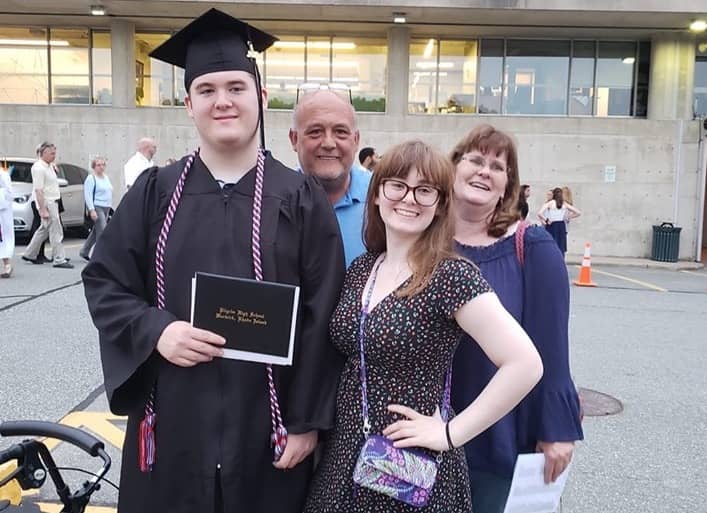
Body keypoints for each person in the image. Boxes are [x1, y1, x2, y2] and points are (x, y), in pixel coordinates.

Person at [81, 9, 345, 513]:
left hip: (268, 433)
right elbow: (104, 280)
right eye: (206, 90)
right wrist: (157, 330)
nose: (222, 101)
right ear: (188, 104)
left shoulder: (302, 199)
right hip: (174, 424)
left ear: (261, 99)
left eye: (236, 88)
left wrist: (306, 422)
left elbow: (322, 314)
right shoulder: (154, 193)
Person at [305, 140, 543, 513]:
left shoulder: (451, 275)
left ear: (439, 205)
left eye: (425, 190)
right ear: (378, 196)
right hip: (346, 454)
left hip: (412, 465)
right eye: (397, 185)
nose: (409, 199)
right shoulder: (362, 270)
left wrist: (451, 433)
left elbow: (526, 364)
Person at [450, 124, 584, 513]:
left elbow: (552, 349)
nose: (483, 171)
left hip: (502, 435)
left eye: (497, 166)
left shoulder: (533, 247)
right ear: (453, 168)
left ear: (508, 184)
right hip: (431, 431)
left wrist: (557, 429)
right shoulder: (426, 242)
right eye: (475, 159)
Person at [289, 89, 371, 267]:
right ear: (294, 139)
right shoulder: (272, 202)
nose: (328, 143)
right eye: (315, 132)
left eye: (340, 132)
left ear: (356, 140)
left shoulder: (385, 198)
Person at [21, 142, 73, 269]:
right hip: (47, 201)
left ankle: (29, 253)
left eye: (54, 153)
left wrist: (53, 165)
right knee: (56, 231)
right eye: (52, 153)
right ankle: (59, 259)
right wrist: (42, 209)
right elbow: (38, 190)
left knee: (43, 230)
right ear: (43, 153)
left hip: (53, 200)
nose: (54, 156)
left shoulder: (48, 165)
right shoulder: (38, 168)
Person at [79, 156, 113, 261]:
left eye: (103, 165)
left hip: (106, 206)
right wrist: (91, 209)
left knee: (95, 231)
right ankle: (99, 256)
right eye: (98, 165)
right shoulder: (91, 178)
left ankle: (84, 251)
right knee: (102, 231)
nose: (101, 167)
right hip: (97, 206)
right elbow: (88, 195)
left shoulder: (106, 177)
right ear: (94, 167)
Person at [537, 187, 581, 255]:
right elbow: (578, 212)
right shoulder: (564, 204)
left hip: (552, 224)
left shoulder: (550, 203)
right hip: (561, 225)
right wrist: (568, 217)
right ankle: (561, 261)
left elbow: (539, 213)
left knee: (551, 245)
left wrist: (546, 220)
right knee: (561, 246)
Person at [0, 163, 14, 277]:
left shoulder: (3, 174)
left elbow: (9, 193)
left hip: (2, 210)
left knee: (3, 237)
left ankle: (7, 265)